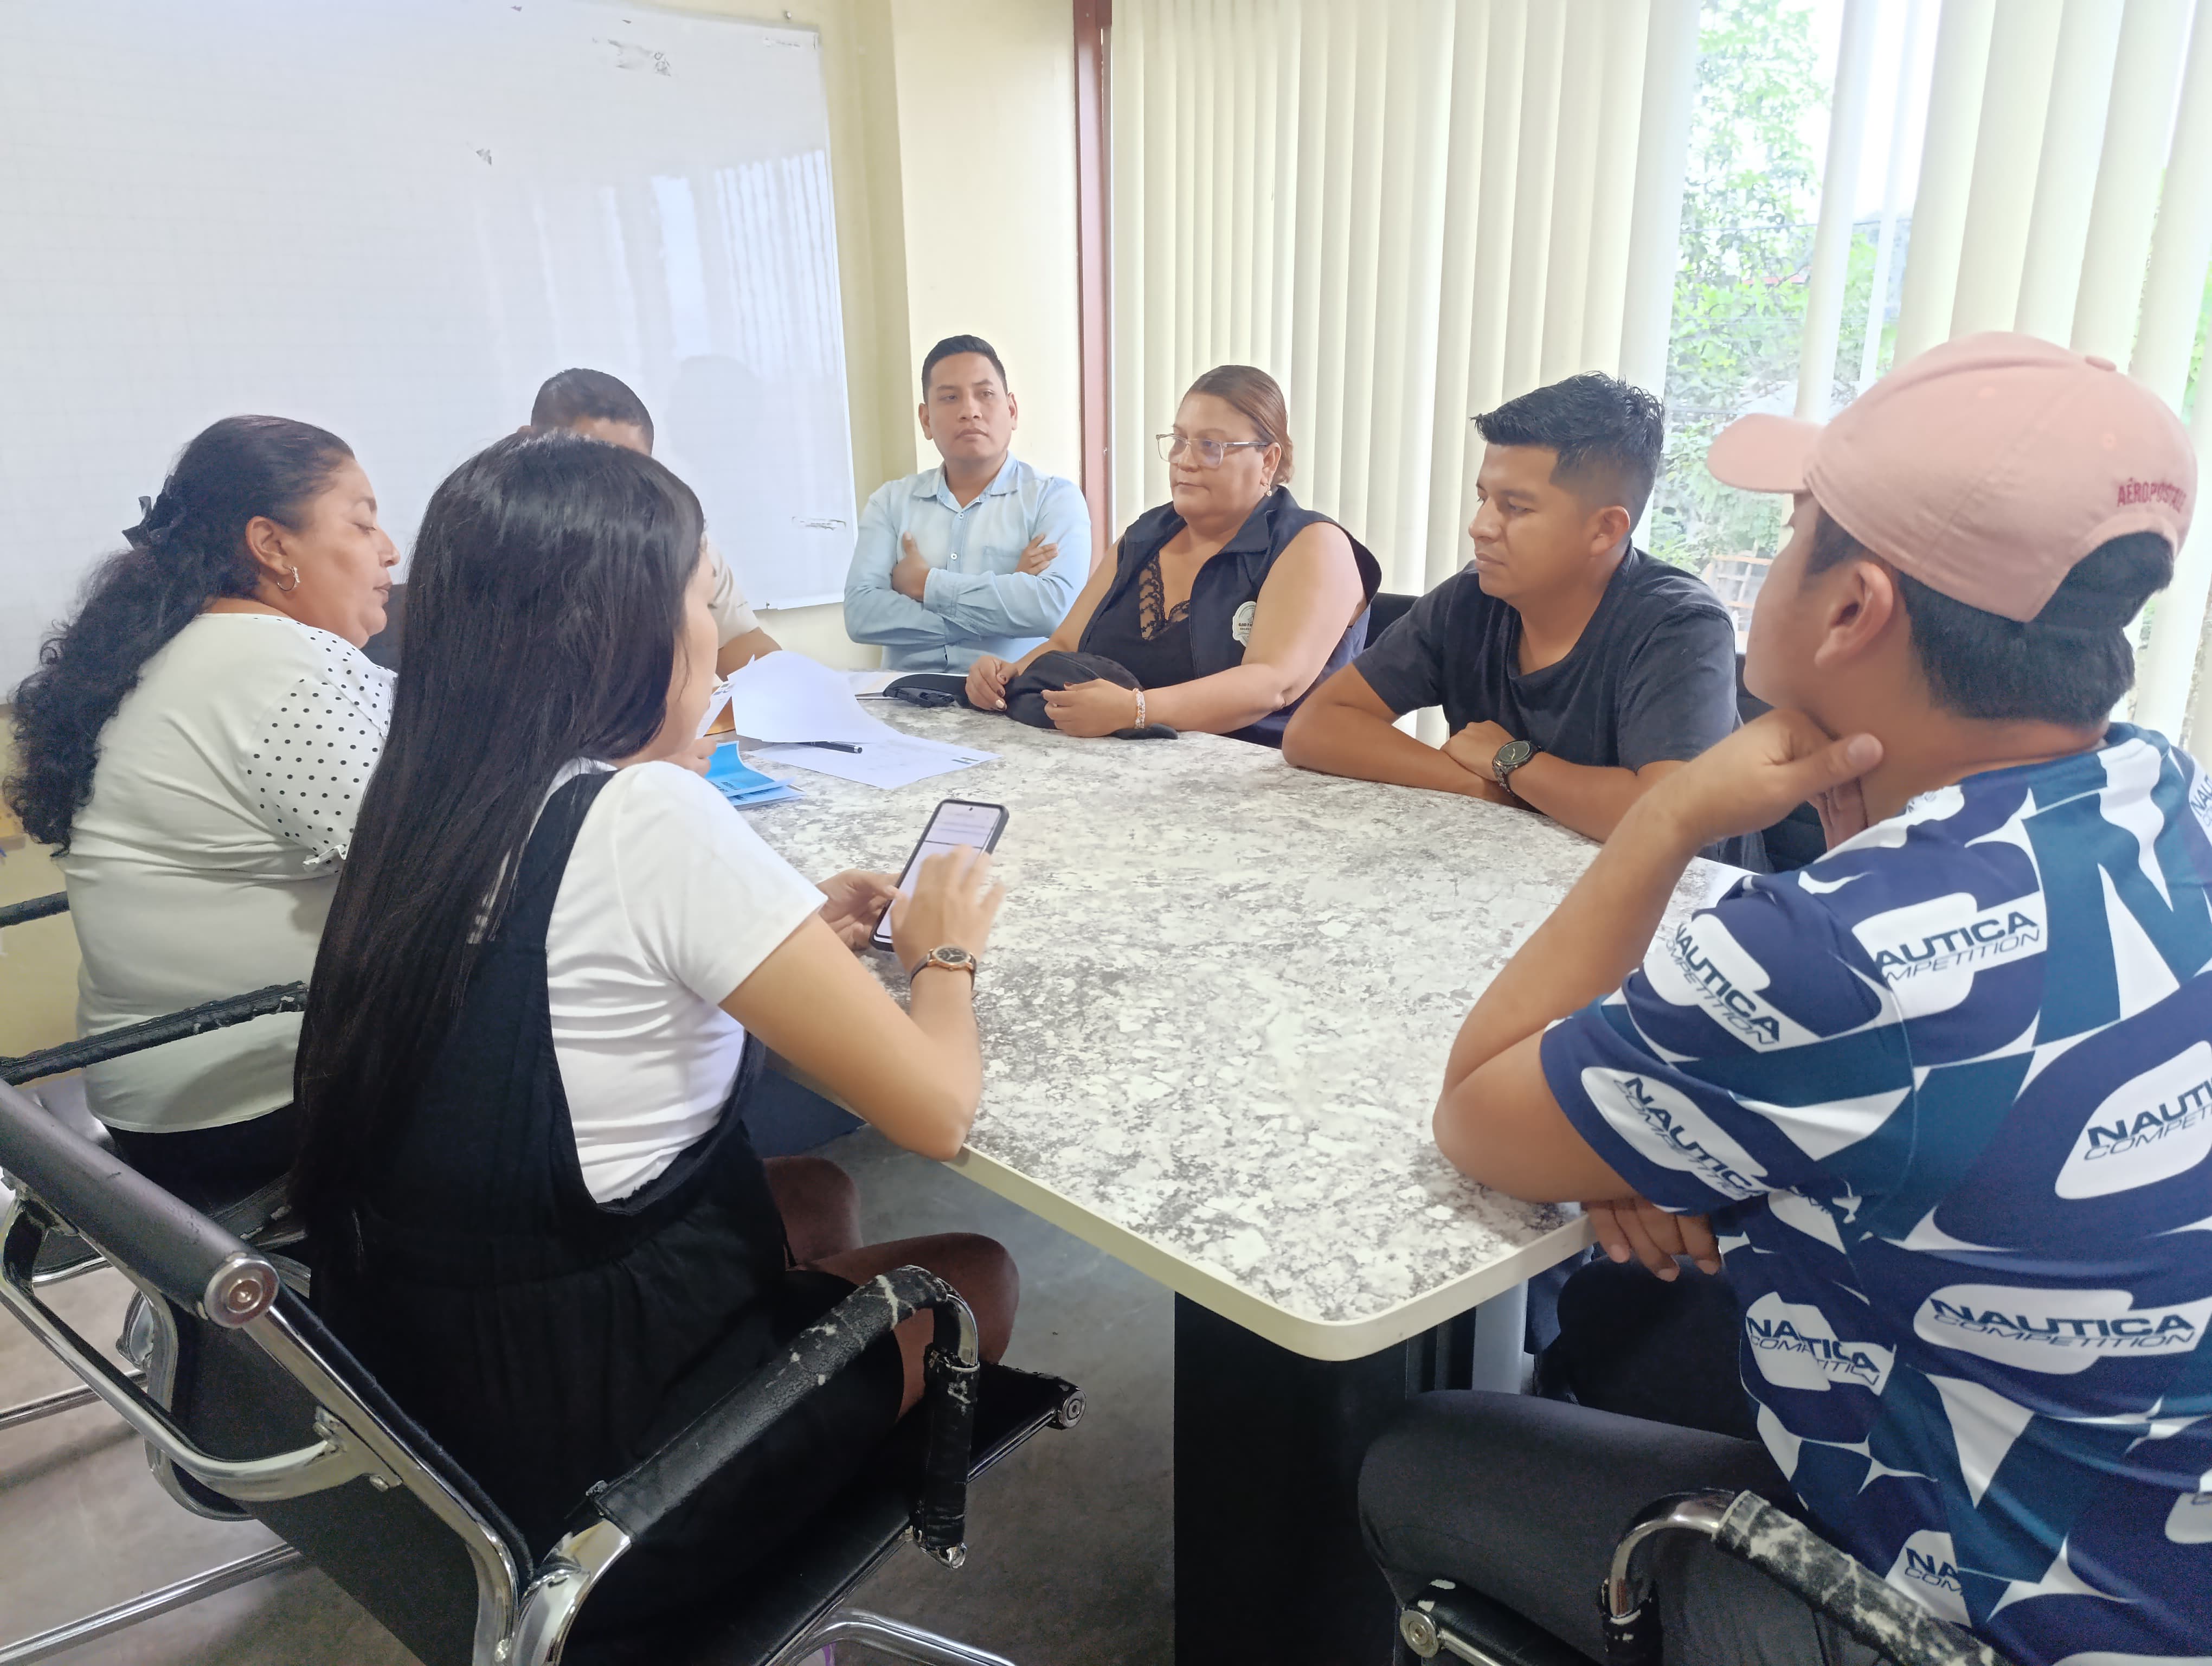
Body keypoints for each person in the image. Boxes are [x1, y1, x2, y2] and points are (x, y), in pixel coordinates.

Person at [1358, 333, 2212, 1666]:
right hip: (2157, 1561)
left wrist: (1670, 815)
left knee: (1415, 1457)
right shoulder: (2161, 800)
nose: (1763, 564)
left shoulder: (1833, 951)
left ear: (1852, 607)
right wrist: (1707, 1138)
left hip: (1988, 1625)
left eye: (1793, 530)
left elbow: (1478, 1114)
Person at [292, 430, 1018, 1636]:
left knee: (817, 1193)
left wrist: (781, 935)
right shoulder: (647, 816)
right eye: (700, 596)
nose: (715, 633)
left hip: (414, 1391)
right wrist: (945, 953)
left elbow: (576, 968)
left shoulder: (434, 795)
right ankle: (740, 1593)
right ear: (626, 630)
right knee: (974, 1274)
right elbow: (937, 1110)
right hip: (594, 1486)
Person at [2, 417, 396, 1208]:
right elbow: (449, 871)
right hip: (264, 1101)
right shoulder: (282, 667)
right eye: (361, 522)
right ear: (271, 544)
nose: (389, 550)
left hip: (159, 1098)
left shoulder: (165, 646)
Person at [1283, 375, 1738, 838]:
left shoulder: (1680, 625)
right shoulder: (1471, 598)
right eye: (1483, 498)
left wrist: (1511, 763)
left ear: (1605, 530)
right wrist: (1483, 787)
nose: (1479, 527)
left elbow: (1669, 814)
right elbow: (1315, 728)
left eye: (1516, 507)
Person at [966, 364, 1380, 746]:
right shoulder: (1145, 536)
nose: (1184, 460)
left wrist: (1137, 711)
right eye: (1180, 440)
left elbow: (1273, 684)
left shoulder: (1311, 543)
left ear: (1268, 460)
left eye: (1211, 446)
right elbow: (1064, 643)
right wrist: (1007, 674)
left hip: (1263, 774)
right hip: (1124, 765)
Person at [363, 368, 782, 675]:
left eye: (632, 473)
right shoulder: (489, 544)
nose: (611, 493)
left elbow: (742, 644)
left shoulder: (678, 543)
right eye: (589, 468)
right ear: (529, 443)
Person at [843, 334, 1091, 672]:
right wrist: (1004, 600)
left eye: (985, 394)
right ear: (926, 420)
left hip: (1010, 695)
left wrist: (925, 584)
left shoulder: (1054, 499)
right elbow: (861, 616)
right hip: (904, 695)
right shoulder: (890, 502)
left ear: (1012, 410)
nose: (970, 411)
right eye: (950, 397)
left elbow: (1053, 611)